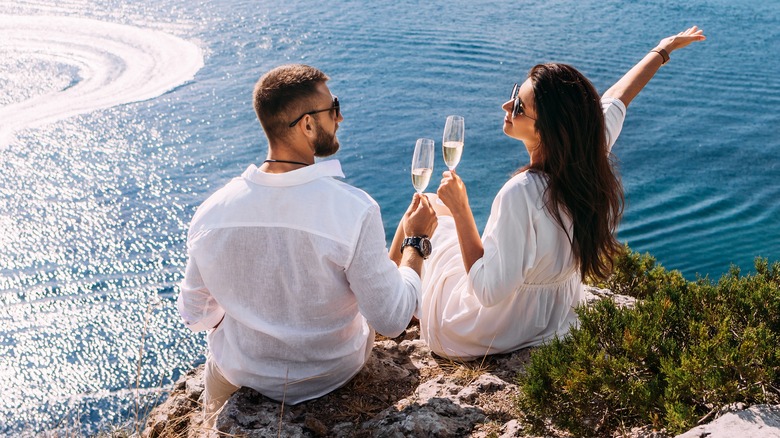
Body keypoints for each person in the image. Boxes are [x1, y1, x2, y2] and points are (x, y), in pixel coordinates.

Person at [396, 27, 706, 360]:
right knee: (436, 209)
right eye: (516, 93)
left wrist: (461, 211)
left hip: (486, 329)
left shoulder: (520, 192)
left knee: (422, 211)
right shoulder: (587, 154)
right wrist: (663, 49)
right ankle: (395, 301)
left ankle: (388, 311)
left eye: (518, 107)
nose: (506, 105)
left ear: (547, 130)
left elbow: (487, 291)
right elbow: (617, 97)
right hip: (553, 319)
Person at [177, 64, 437, 425]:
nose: (340, 117)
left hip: (240, 376)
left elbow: (195, 316)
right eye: (334, 108)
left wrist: (250, 307)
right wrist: (415, 241)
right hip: (332, 374)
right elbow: (392, 320)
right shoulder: (353, 209)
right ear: (308, 124)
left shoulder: (211, 213)